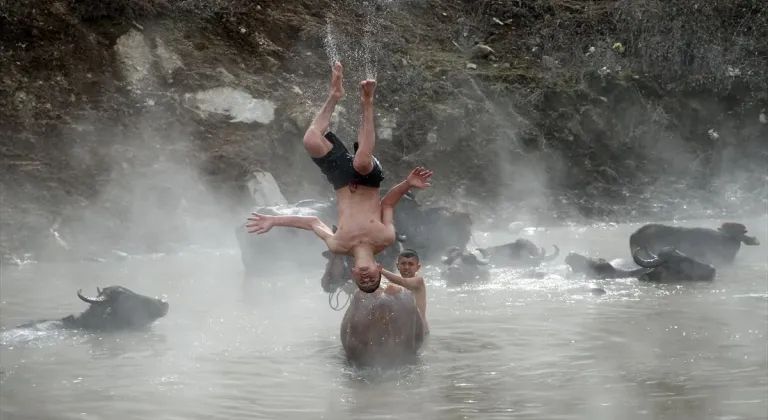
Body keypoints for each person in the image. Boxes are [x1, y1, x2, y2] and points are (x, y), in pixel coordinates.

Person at [246, 61, 433, 293]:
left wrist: (274, 221)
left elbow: (312, 222)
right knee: (362, 162)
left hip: (342, 182)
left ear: (353, 273)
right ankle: (367, 101)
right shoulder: (385, 237)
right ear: (378, 268)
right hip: (369, 179)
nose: (366, 278)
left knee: (311, 141)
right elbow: (388, 203)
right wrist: (407, 184)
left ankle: (335, 95)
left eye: (361, 281)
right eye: (371, 279)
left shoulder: (337, 244)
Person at [381, 248, 429, 335]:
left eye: (411, 264)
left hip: (419, 332)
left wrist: (380, 269)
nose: (406, 267)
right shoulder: (392, 282)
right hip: (403, 333)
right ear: (397, 266)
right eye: (403, 264)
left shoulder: (419, 281)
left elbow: (404, 282)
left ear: (418, 267)